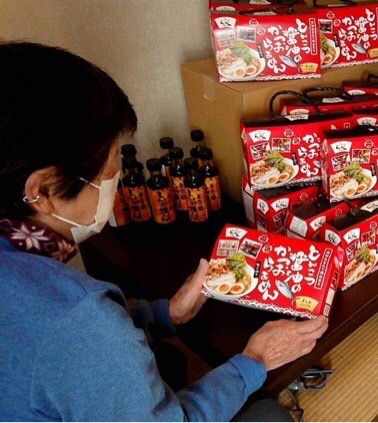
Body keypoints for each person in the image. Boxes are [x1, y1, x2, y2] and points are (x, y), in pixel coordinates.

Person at [0, 41, 327, 421]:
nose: (115, 184)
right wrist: (255, 358)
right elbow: (83, 343)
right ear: (43, 191)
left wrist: (163, 313)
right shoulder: (82, 319)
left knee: (167, 359)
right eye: (108, 175)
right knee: (268, 414)